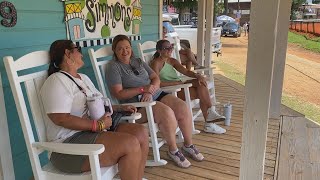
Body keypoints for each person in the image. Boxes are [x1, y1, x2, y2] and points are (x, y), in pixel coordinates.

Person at [40, 40, 149, 180]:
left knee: (140, 132)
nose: (81, 53)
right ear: (67, 53)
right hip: (67, 147)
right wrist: (98, 125)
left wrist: (119, 107)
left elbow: (99, 103)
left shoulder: (83, 78)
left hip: (93, 132)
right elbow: (60, 118)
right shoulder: (57, 80)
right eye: (77, 49)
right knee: (130, 144)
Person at [106, 34, 204, 168]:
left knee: (182, 107)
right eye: (120, 49)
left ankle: (188, 145)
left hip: (153, 94)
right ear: (114, 50)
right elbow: (119, 93)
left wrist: (149, 90)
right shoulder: (114, 67)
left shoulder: (138, 61)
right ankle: (173, 150)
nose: (125, 51)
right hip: (138, 104)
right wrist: (142, 90)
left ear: (131, 48)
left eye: (127, 47)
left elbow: (155, 78)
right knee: (166, 112)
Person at [150, 39, 226, 134]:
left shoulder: (171, 60)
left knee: (200, 82)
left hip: (180, 86)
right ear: (159, 51)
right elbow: (158, 84)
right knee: (202, 92)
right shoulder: (156, 63)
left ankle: (210, 114)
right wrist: (177, 84)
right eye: (167, 48)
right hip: (170, 91)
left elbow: (185, 71)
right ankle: (209, 121)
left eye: (171, 47)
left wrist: (197, 75)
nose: (170, 50)